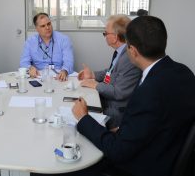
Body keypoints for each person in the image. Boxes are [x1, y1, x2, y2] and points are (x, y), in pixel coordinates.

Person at [72, 16, 195, 176]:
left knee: (75, 163)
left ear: (133, 51)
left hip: (141, 166)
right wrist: (122, 129)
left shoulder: (148, 92)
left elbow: (117, 151)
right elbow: (153, 121)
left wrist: (84, 119)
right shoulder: (184, 72)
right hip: (165, 151)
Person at [77, 15, 141, 129]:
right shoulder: (121, 52)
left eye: (106, 33)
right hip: (108, 102)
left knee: (78, 119)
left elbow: (119, 92)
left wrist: (96, 85)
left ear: (115, 37)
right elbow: (111, 72)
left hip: (116, 112)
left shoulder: (129, 57)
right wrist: (92, 75)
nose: (105, 36)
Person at [20, 13, 74, 81]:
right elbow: (23, 62)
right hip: (38, 77)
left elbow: (68, 61)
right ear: (37, 29)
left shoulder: (63, 39)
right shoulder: (30, 42)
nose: (47, 28)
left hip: (58, 77)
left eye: (49, 24)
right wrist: (30, 68)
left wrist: (65, 71)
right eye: (43, 26)